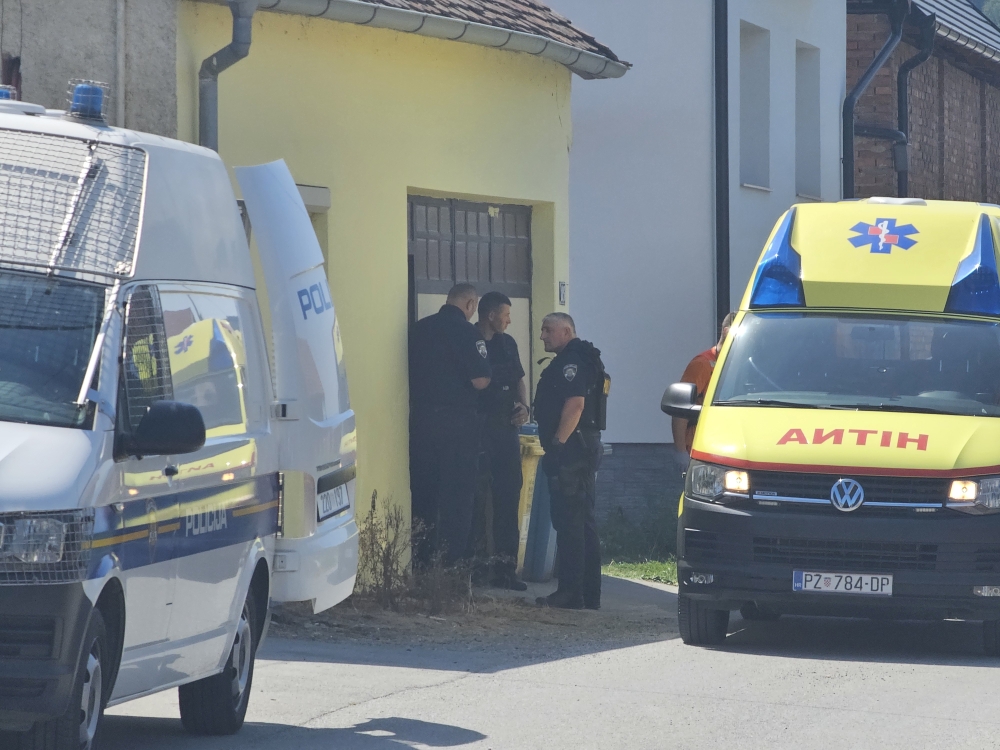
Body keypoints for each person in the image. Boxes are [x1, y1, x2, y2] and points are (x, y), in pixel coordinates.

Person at [409, 283, 491, 565]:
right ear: (470, 305)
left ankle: (420, 561)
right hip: (457, 424)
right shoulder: (468, 333)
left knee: (424, 494)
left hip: (421, 422)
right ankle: (449, 566)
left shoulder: (419, 329)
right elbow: (480, 380)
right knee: (457, 496)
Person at [533, 313, 606, 610]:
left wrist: (558, 445)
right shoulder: (581, 358)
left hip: (573, 450)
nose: (542, 336)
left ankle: (571, 592)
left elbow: (576, 406)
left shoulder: (572, 362)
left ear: (566, 331)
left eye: (548, 330)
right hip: (581, 447)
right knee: (581, 519)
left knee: (570, 521)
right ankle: (588, 593)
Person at [474, 292, 529, 591]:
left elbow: (519, 379)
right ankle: (476, 568)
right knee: (477, 499)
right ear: (491, 315)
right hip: (479, 428)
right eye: (506, 314)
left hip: (506, 429)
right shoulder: (470, 340)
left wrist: (524, 407)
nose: (509, 320)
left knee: (508, 496)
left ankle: (506, 570)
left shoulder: (508, 343)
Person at [671, 312, 735, 468]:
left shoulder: (741, 365)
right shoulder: (702, 364)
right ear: (726, 331)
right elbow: (680, 409)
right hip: (700, 449)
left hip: (729, 448)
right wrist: (681, 452)